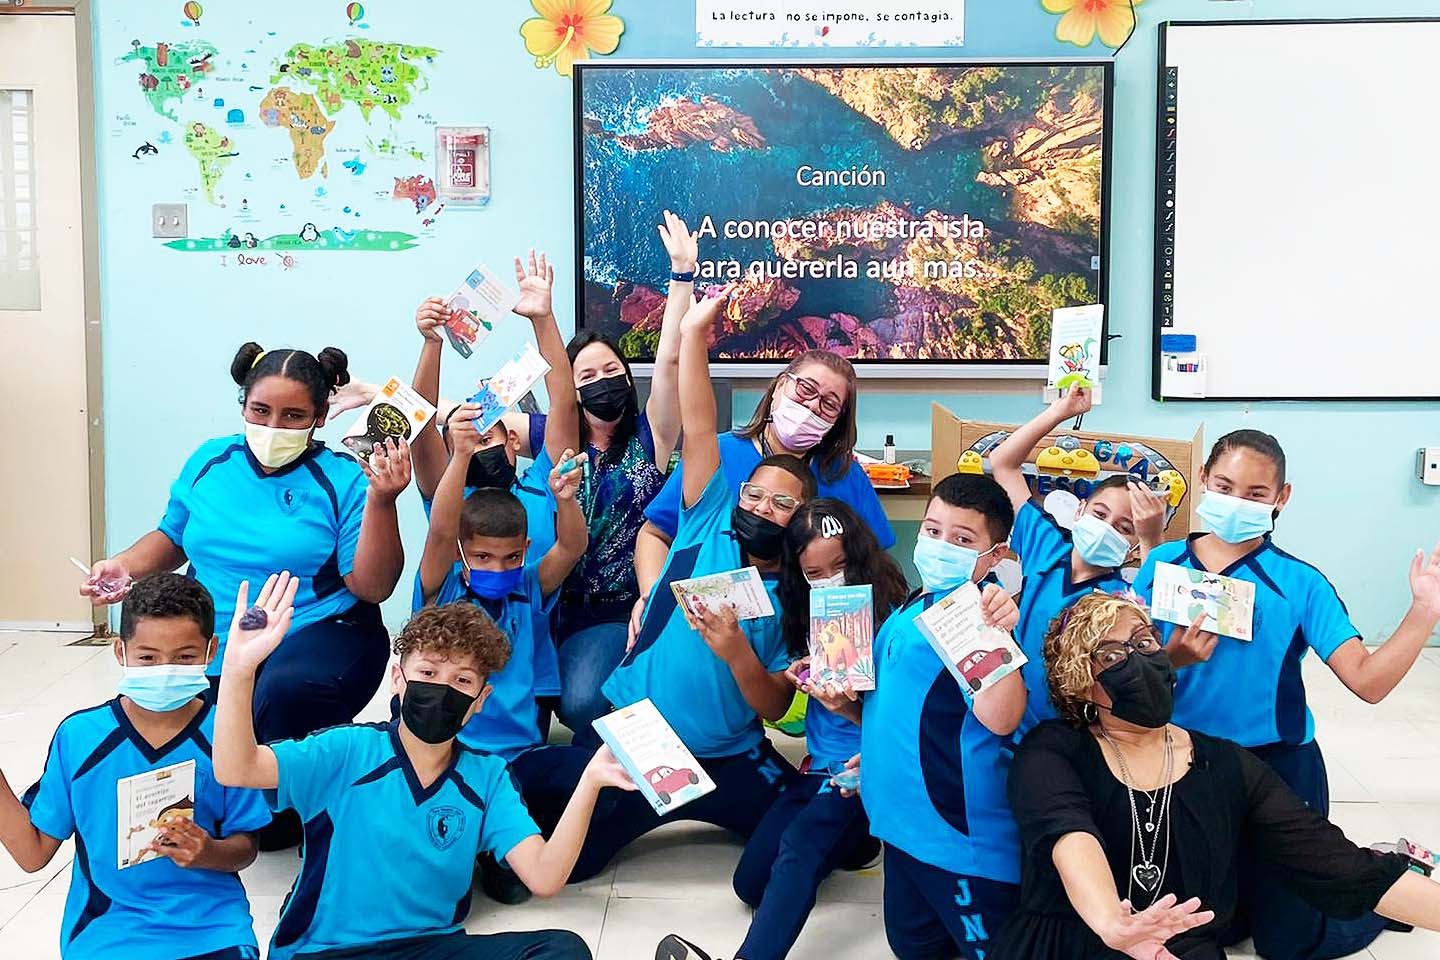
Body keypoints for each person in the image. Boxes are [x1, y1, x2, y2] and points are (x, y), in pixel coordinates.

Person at [994, 591, 1440, 960]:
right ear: (1081, 682)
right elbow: (1068, 833)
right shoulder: (1054, 750)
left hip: (1181, 949)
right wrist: (1113, 921)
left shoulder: (1226, 764)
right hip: (1065, 941)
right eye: (1111, 654)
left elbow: (1337, 863)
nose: (1137, 658)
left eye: (1146, 642)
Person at [83, 344, 411, 847]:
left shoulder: (343, 478)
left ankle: (280, 816)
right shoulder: (210, 461)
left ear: (320, 417)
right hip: (221, 632)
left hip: (319, 632)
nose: (274, 426)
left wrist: (383, 501)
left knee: (280, 693)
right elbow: (171, 538)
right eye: (261, 410)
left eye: (293, 415)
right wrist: (121, 565)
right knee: (171, 706)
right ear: (243, 406)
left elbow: (371, 586)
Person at [1132, 429, 1440, 960]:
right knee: (1210, 928)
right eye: (1225, 485)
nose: (1236, 501)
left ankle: (1383, 894)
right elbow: (1132, 670)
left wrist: (1424, 611)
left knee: (1288, 942)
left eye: (1255, 493)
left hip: (1278, 767)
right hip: (1181, 766)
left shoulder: (1299, 583)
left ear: (1282, 497)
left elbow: (1366, 681)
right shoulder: (1159, 567)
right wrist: (1173, 656)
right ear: (1203, 480)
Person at [213, 573, 635, 960]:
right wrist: (238, 670)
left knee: (562, 951)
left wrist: (591, 781)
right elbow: (237, 769)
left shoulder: (488, 778)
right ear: (398, 679)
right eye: (428, 672)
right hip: (327, 952)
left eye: (462, 681)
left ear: (480, 700)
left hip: (431, 947)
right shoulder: (346, 750)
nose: (442, 689)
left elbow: (544, 878)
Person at [571, 286, 807, 882]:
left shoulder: (797, 592)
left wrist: (735, 652)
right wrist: (695, 336)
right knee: (575, 859)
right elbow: (700, 425)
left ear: (801, 520)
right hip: (642, 734)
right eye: (755, 493)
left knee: (822, 844)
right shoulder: (709, 517)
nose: (761, 506)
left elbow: (779, 705)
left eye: (781, 504)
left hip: (734, 754)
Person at [655, 499, 907, 960]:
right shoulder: (805, 610)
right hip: (817, 769)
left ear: (861, 555)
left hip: (867, 765)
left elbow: (901, 724)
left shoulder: (891, 614)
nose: (830, 579)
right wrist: (801, 674)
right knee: (750, 882)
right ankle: (857, 842)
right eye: (815, 572)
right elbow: (782, 701)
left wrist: (850, 710)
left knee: (799, 845)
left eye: (841, 565)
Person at [1, 574, 271, 960]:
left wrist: (206, 851)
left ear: (211, 650)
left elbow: (246, 847)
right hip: (108, 927)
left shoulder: (227, 733)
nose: (165, 668)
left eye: (184, 657)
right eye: (147, 657)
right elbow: (33, 854)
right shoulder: (80, 738)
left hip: (211, 928)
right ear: (119, 651)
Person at [500, 211, 694, 746]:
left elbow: (672, 358)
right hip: (550, 602)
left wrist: (681, 276)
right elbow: (551, 392)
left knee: (584, 700)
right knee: (542, 708)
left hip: (621, 607)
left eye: (612, 371)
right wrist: (543, 319)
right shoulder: (562, 444)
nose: (602, 381)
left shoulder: (651, 440)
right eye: (588, 375)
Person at [416, 400, 590, 904]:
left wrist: (566, 501)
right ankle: (462, 840)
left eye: (511, 555)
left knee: (581, 778)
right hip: (449, 757)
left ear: (525, 548)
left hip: (518, 756)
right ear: (462, 555)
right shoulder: (441, 587)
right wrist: (460, 456)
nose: (500, 566)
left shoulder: (528, 587)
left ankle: (497, 843)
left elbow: (571, 547)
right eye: (485, 556)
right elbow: (442, 529)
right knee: (445, 891)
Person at [860, 473, 1026, 960]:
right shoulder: (915, 601)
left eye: (962, 539)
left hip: (956, 841)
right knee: (914, 947)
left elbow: (1003, 716)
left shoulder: (978, 616)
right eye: (933, 530)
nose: (939, 545)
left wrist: (992, 633)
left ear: (994, 556)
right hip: (897, 828)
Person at [631, 344, 895, 645]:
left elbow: (872, 562)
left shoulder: (844, 475)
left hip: (809, 636)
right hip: (712, 626)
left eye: (829, 404)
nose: (811, 407)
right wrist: (654, 599)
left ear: (838, 421)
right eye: (806, 389)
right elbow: (655, 534)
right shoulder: (717, 455)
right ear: (781, 385)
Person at [990, 386, 1167, 731]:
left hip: (1079, 732)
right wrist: (1059, 412)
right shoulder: (1048, 546)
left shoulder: (1122, 599)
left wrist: (1151, 537)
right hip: (1014, 721)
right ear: (1080, 510)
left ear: (1133, 547)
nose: (1106, 528)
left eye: (1124, 527)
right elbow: (1003, 463)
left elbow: (1157, 628)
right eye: (1099, 513)